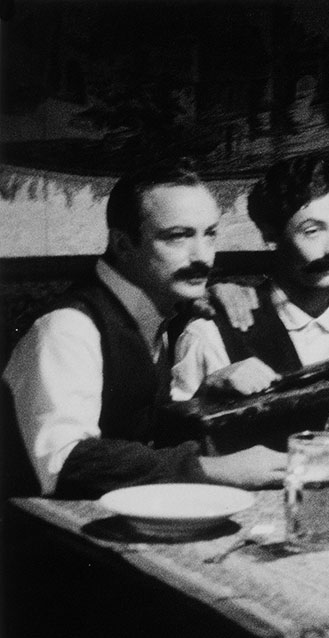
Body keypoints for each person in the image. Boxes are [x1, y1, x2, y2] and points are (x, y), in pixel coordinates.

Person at [2, 159, 287, 500]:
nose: (203, 257)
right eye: (178, 236)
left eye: (210, 234)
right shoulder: (68, 329)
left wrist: (205, 395)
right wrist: (215, 469)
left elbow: (138, 434)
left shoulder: (160, 311)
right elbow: (66, 463)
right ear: (123, 245)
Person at [170, 155, 329, 400]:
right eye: (312, 231)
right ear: (270, 236)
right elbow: (179, 420)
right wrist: (209, 390)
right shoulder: (211, 335)